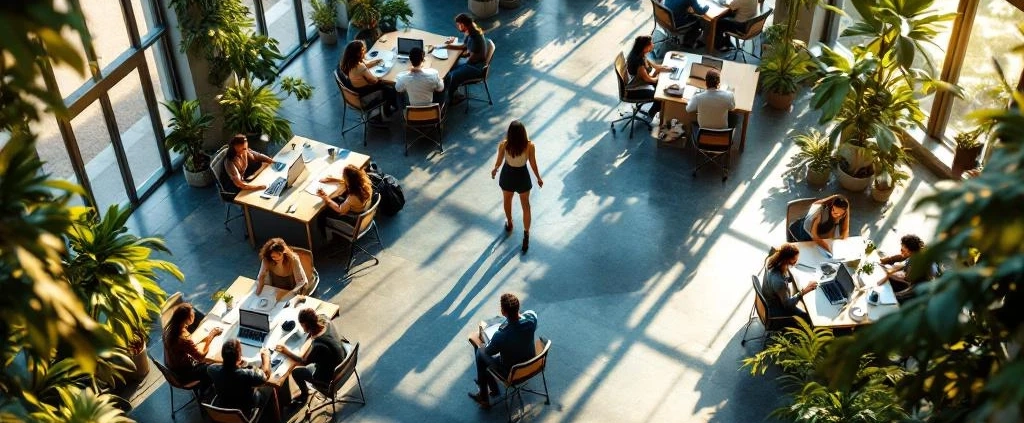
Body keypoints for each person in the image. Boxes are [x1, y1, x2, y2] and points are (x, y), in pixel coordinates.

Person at [468, 293, 538, 409]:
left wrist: (488, 342)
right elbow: (530, 313)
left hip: (511, 371)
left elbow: (489, 352)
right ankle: (488, 386)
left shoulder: (501, 335)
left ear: (503, 312)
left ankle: (484, 396)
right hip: (531, 361)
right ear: (518, 308)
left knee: (480, 353)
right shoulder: (531, 320)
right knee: (485, 357)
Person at [274, 308, 346, 406]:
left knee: (296, 372)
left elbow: (303, 361)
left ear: (305, 325)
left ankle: (304, 395)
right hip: (342, 361)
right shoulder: (326, 320)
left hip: (329, 377)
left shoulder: (319, 345)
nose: (303, 329)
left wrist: (285, 351)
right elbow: (320, 318)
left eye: (302, 326)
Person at [490, 121, 544, 253]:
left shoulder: (504, 145)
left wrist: (495, 169)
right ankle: (526, 234)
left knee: (507, 200)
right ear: (523, 133)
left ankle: (509, 223)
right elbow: (533, 164)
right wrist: (538, 178)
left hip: (508, 175)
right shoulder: (529, 146)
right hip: (522, 177)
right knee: (526, 206)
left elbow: (499, 161)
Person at [207, 339, 279, 420]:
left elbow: (215, 366)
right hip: (244, 411)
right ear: (239, 357)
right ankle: (274, 417)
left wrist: (233, 363)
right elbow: (265, 375)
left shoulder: (212, 370)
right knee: (270, 387)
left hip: (223, 406)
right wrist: (266, 357)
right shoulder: (246, 375)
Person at [162, 303, 222, 386]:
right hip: (185, 374)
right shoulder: (182, 339)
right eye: (192, 314)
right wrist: (211, 335)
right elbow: (200, 357)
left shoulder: (169, 330)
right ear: (187, 319)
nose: (194, 314)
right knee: (216, 364)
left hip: (173, 370)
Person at [762, 244, 817, 326]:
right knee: (809, 317)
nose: (796, 261)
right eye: (795, 260)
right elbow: (787, 305)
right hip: (777, 310)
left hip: (773, 300)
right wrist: (804, 291)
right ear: (786, 260)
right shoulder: (779, 281)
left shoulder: (773, 261)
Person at [338, 40, 397, 117]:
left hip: (355, 91)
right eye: (362, 50)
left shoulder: (348, 63)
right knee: (390, 89)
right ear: (357, 53)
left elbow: (365, 65)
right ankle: (388, 111)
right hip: (364, 94)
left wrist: (376, 61)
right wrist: (380, 75)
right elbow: (374, 81)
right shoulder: (360, 67)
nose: (364, 51)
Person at [442, 13, 487, 104]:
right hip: (471, 61)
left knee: (452, 75)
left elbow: (471, 58)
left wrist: (458, 58)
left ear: (463, 25)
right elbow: (464, 46)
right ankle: (454, 91)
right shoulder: (469, 31)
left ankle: (451, 99)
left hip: (476, 66)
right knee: (449, 68)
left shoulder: (475, 37)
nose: (458, 27)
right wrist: (448, 46)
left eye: (459, 25)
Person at [625, 35, 673, 121]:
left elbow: (654, 66)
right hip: (634, 89)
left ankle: (660, 110)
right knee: (660, 96)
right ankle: (651, 114)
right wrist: (658, 77)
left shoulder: (639, 53)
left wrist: (665, 68)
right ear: (644, 47)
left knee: (661, 87)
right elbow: (648, 79)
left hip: (639, 82)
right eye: (651, 44)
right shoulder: (639, 61)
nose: (653, 45)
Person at [879, 234, 938, 301]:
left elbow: (907, 278)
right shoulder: (915, 251)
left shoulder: (919, 262)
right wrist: (887, 260)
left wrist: (890, 274)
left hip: (918, 292)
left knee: (891, 297)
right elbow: (901, 256)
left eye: (903, 250)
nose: (901, 251)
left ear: (910, 251)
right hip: (912, 284)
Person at [317, 164, 374, 230]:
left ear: (349, 180)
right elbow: (351, 181)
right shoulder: (366, 185)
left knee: (322, 214)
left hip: (352, 216)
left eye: (343, 176)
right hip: (360, 207)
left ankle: (325, 232)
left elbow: (340, 209)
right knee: (337, 198)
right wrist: (333, 179)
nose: (342, 177)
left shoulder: (353, 197)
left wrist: (325, 197)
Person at [685, 69, 736, 136]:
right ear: (718, 83)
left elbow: (688, 109)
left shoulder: (698, 97)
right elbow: (732, 107)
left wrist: (693, 96)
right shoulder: (728, 95)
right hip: (722, 136)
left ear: (705, 82)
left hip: (703, 136)